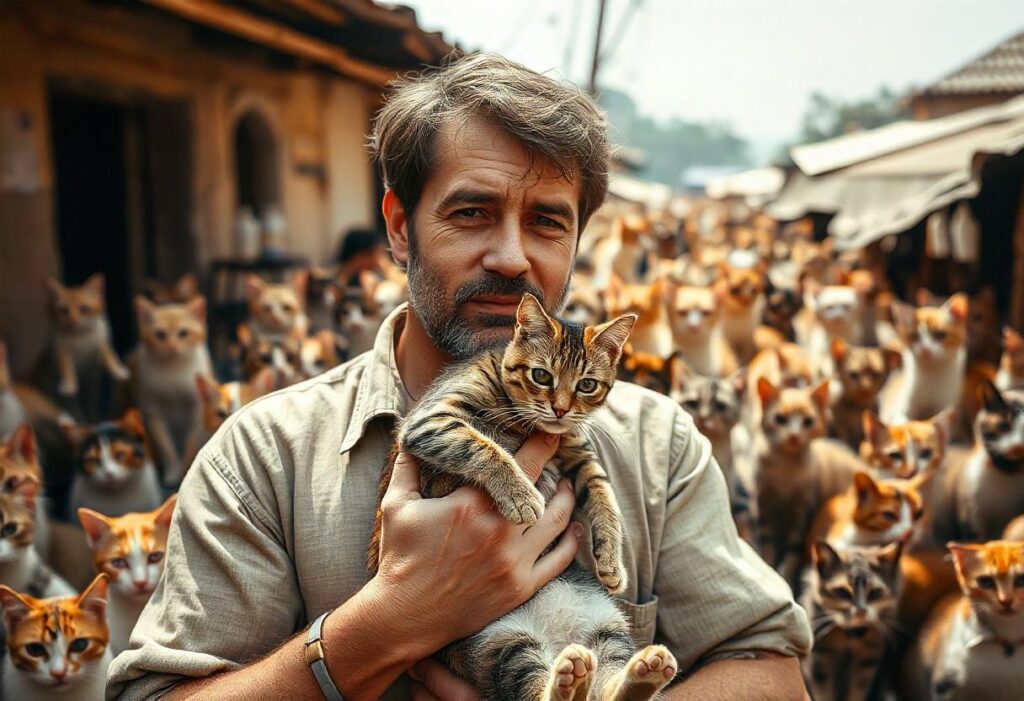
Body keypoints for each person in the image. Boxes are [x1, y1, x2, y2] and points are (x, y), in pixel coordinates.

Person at [107, 53, 810, 701]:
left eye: (545, 222)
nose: (510, 256)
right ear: (399, 226)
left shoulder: (656, 447)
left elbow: (774, 671)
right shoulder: (263, 460)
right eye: (472, 212)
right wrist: (384, 624)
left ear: (575, 244)